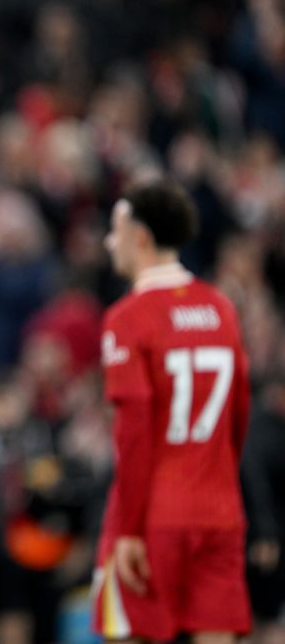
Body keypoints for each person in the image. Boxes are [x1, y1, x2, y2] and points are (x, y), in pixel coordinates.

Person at [93, 180, 252, 642]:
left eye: (115, 231)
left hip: (152, 516)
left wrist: (126, 528)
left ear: (139, 238)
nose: (109, 242)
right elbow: (238, 418)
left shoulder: (128, 317)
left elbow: (134, 432)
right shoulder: (222, 308)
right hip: (219, 510)